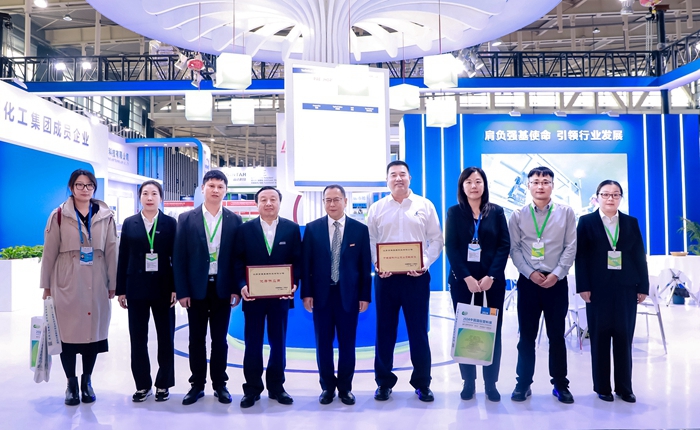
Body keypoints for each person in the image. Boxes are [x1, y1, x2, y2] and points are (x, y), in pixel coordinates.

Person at [39, 169, 118, 406]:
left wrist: (113, 283)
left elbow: (112, 250)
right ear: (71, 187)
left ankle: (87, 381)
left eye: (89, 185)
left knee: (93, 333)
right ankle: (71, 384)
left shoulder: (105, 215)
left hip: (97, 278)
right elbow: (49, 251)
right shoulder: (59, 215)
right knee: (68, 334)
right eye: (79, 185)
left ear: (94, 188)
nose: (85, 189)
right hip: (67, 279)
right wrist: (46, 286)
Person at [368, 160, 444, 402]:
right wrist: (377, 263)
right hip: (386, 279)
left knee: (418, 331)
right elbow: (371, 240)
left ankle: (422, 383)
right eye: (393, 175)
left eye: (402, 174)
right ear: (387, 180)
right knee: (384, 331)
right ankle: (383, 383)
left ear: (410, 178)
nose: (398, 178)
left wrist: (425, 262)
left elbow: (437, 239)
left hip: (416, 279)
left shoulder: (424, 205)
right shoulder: (377, 208)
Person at [575, 180, 649, 403]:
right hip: (597, 289)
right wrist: (583, 286)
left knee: (624, 337)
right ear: (597, 197)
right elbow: (581, 257)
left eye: (615, 195)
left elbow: (639, 255)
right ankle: (602, 387)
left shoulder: (630, 222)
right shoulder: (586, 222)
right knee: (599, 337)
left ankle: (625, 387)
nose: (610, 198)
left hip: (626, 288)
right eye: (606, 194)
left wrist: (643, 286)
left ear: (620, 198)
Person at [173, 170, 242, 405]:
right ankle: (197, 385)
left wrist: (236, 288)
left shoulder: (234, 219)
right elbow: (179, 257)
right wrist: (182, 291)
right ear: (202, 188)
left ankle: (220, 384)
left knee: (220, 340)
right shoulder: (186, 219)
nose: (215, 190)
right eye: (211, 185)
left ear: (225, 191)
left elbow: (237, 258)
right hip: (195, 290)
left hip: (223, 288)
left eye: (220, 187)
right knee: (196, 339)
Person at [508, 166, 577, 404]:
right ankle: (523, 383)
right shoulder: (518, 215)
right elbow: (515, 249)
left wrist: (557, 274)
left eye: (545, 181)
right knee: (526, 337)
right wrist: (530, 273)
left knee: (556, 336)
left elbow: (571, 246)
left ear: (552, 186)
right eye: (535, 182)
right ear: (528, 186)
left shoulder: (566, 213)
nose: (540, 186)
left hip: (556, 283)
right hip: (529, 283)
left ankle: (560, 384)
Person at [301, 184, 372, 405]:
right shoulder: (312, 229)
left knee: (347, 344)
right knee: (323, 344)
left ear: (345, 201)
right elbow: (306, 265)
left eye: (336, 199)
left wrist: (365, 296)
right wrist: (306, 293)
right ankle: (327, 387)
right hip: (321, 296)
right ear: (323, 202)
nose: (332, 204)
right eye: (328, 200)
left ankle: (345, 388)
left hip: (349, 297)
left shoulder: (360, 230)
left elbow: (364, 267)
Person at [445, 167, 510, 402]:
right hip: (463, 281)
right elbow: (451, 247)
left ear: (484, 185)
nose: (474, 186)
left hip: (492, 281)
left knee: (493, 330)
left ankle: (491, 383)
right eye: (469, 182)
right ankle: (469, 381)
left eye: (478, 181)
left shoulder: (497, 211)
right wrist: (467, 278)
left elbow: (504, 245)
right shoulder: (454, 212)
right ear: (462, 186)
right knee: (465, 329)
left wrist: (491, 276)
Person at [234, 186, 302, 408]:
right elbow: (237, 261)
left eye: (273, 199)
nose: (269, 203)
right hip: (253, 298)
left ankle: (276, 387)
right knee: (252, 344)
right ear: (257, 204)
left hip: (280, 298)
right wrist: (242, 285)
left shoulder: (291, 229)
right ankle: (252, 389)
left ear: (280, 203)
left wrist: (293, 282)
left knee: (278, 343)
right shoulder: (245, 230)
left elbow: (297, 260)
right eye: (263, 199)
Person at [116, 180, 177, 402]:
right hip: (136, 288)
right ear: (139, 197)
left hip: (163, 289)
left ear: (160, 197)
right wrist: (121, 290)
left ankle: (163, 384)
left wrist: (175, 287)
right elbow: (123, 257)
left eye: (154, 193)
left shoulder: (170, 223)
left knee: (166, 338)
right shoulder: (129, 223)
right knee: (138, 338)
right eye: (145, 193)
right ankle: (142, 385)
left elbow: (176, 258)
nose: (149, 198)